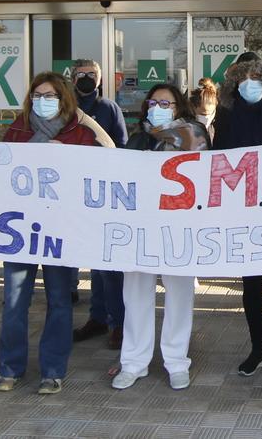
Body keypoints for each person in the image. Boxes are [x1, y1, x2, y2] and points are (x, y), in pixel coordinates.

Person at [0, 72, 104, 395]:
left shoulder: (79, 133)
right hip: (20, 229)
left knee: (59, 300)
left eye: (51, 95)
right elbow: (1, 172)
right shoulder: (17, 130)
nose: (44, 101)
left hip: (59, 230)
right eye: (38, 95)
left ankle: (53, 370)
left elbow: (96, 174)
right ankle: (9, 368)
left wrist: (68, 157)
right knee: (14, 301)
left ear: (64, 99)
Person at [111, 83, 209, 391]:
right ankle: (133, 362)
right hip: (140, 228)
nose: (157, 107)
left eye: (165, 103)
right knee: (136, 292)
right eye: (153, 102)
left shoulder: (194, 137)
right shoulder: (139, 138)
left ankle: (176, 361)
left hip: (179, 226)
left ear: (178, 107)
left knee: (179, 293)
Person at [212, 53, 262, 380]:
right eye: (242, 78)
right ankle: (257, 349)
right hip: (242, 207)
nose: (249, 84)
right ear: (235, 81)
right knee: (250, 284)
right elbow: (219, 156)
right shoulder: (228, 111)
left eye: (255, 77)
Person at [69, 57, 127, 350]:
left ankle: (118, 322)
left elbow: (122, 147)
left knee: (110, 265)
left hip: (103, 194)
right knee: (93, 261)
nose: (87, 79)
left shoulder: (108, 109)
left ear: (100, 79)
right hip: (72, 194)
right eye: (81, 74)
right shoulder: (63, 108)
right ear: (72, 77)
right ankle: (97, 317)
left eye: (92, 74)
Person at [189, 77, 219, 143]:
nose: (207, 118)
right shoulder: (184, 129)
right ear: (192, 108)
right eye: (203, 114)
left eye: (211, 114)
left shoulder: (217, 128)